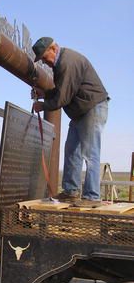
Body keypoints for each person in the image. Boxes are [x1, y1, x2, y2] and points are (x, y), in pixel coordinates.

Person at [32, 37, 109, 206]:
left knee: (90, 153)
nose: (46, 62)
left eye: (45, 58)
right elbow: (62, 91)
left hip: (91, 108)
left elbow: (62, 98)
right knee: (72, 150)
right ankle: (71, 192)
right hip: (81, 111)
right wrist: (45, 94)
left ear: (53, 49)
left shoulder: (67, 62)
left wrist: (43, 105)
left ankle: (92, 196)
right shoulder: (61, 64)